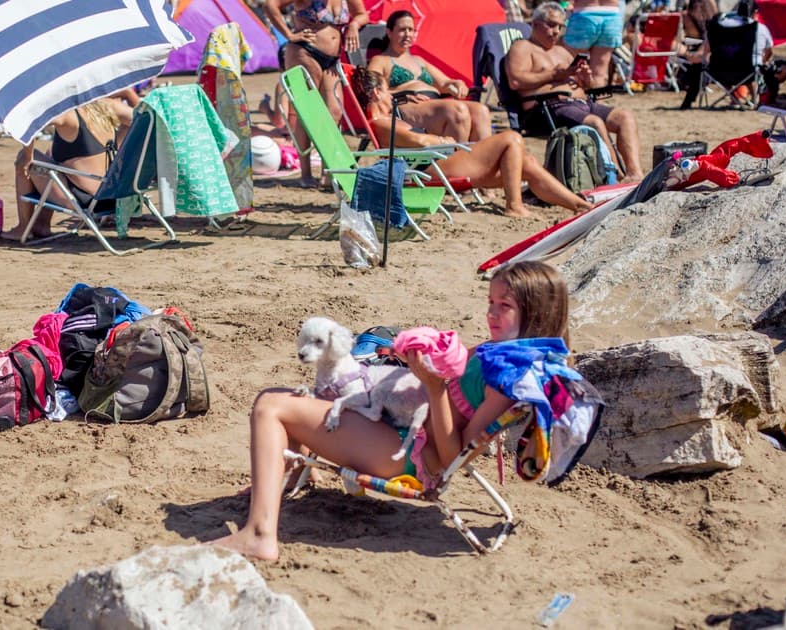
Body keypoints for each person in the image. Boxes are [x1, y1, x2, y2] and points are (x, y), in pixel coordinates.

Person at [211, 260, 574, 561]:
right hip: (402, 431)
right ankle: (287, 474)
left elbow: (452, 456)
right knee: (310, 394)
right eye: (490, 301)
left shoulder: (505, 378)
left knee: (270, 405)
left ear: (534, 314)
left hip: (407, 455)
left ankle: (259, 535)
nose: (491, 312)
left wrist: (433, 388)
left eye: (504, 306)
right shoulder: (504, 355)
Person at [352, 69, 592, 217]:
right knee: (512, 139)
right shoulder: (380, 123)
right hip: (429, 169)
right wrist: (441, 139)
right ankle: (514, 205)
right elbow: (419, 141)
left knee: (525, 162)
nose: (391, 94)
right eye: (387, 90)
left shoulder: (391, 116)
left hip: (438, 161)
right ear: (376, 94)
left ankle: (578, 206)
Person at [507, 2, 646, 182]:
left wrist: (586, 79)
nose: (556, 31)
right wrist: (553, 75)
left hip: (581, 104)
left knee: (624, 116)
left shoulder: (562, 51)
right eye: (551, 25)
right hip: (547, 109)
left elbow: (590, 87)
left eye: (560, 26)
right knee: (594, 122)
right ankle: (615, 175)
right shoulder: (522, 47)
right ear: (534, 24)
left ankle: (634, 174)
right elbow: (516, 81)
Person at [265, 0, 369, 187]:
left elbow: (363, 14)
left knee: (334, 112)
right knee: (307, 113)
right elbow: (271, 5)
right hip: (304, 51)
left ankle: (327, 171)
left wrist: (354, 24)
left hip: (332, 59)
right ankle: (306, 174)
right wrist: (289, 34)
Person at [2, 98, 130, 240]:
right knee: (51, 155)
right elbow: (142, 119)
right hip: (110, 196)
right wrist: (119, 148)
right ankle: (41, 224)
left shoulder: (68, 115)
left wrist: (27, 154)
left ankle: (23, 228)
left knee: (26, 160)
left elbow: (31, 122)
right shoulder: (108, 107)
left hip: (83, 200)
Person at [366, 10, 494, 142]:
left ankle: (482, 160)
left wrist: (456, 83)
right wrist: (400, 96)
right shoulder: (380, 60)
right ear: (389, 32)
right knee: (457, 110)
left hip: (433, 104)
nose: (407, 34)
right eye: (402, 30)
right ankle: (455, 160)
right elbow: (372, 89)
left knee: (481, 111)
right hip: (405, 104)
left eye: (411, 30)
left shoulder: (418, 60)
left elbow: (444, 83)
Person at [563, 0, 626, 88]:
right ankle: (595, 100)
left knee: (573, 66)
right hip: (612, 15)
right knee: (600, 72)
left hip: (585, 14)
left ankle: (574, 99)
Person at [678, 0, 719, 109]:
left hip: (713, 62)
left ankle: (688, 97)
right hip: (735, 66)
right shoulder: (719, 24)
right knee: (699, 65)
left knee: (698, 66)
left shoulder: (687, 16)